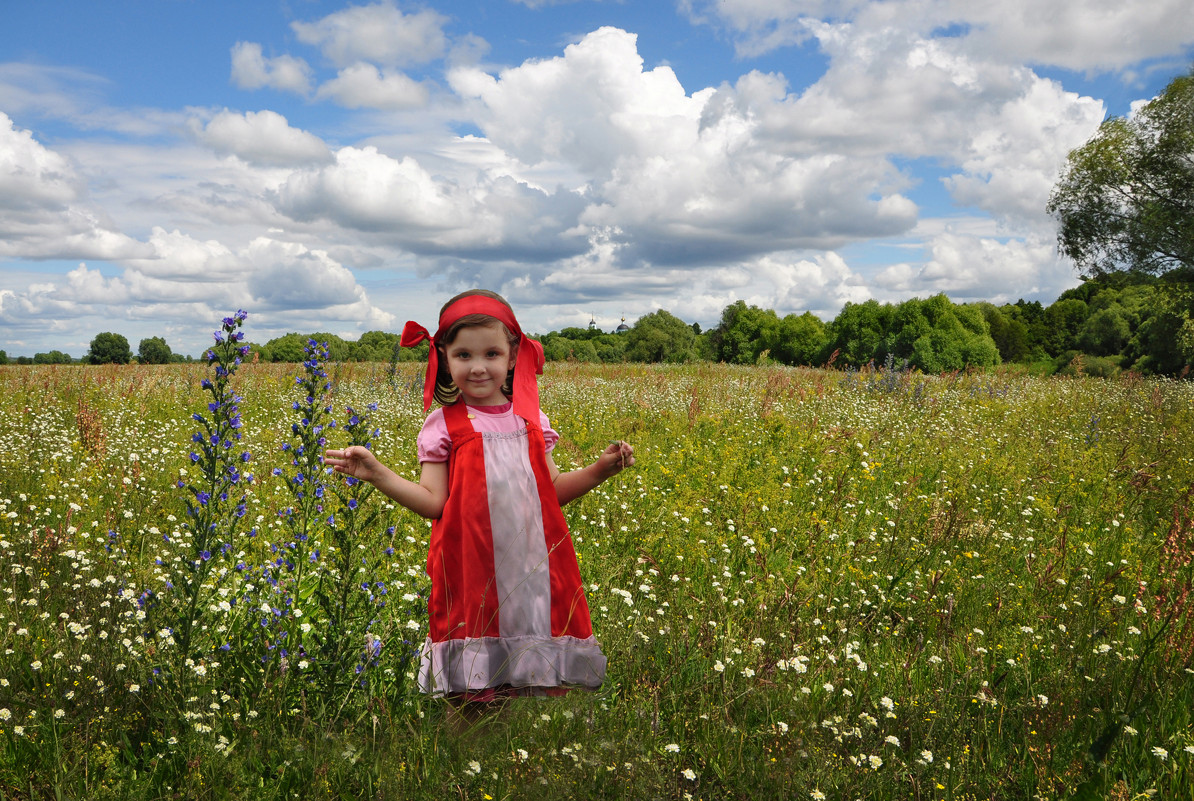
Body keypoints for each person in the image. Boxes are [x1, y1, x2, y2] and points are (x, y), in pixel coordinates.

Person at [324, 289, 634, 704]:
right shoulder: (443, 425)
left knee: (513, 678)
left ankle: (495, 763)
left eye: (491, 353)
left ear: (512, 357)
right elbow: (434, 502)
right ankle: (459, 759)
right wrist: (377, 474)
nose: (478, 367)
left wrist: (599, 470)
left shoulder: (531, 420)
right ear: (445, 359)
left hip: (529, 571)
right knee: (469, 687)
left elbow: (551, 492)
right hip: (471, 572)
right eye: (463, 356)